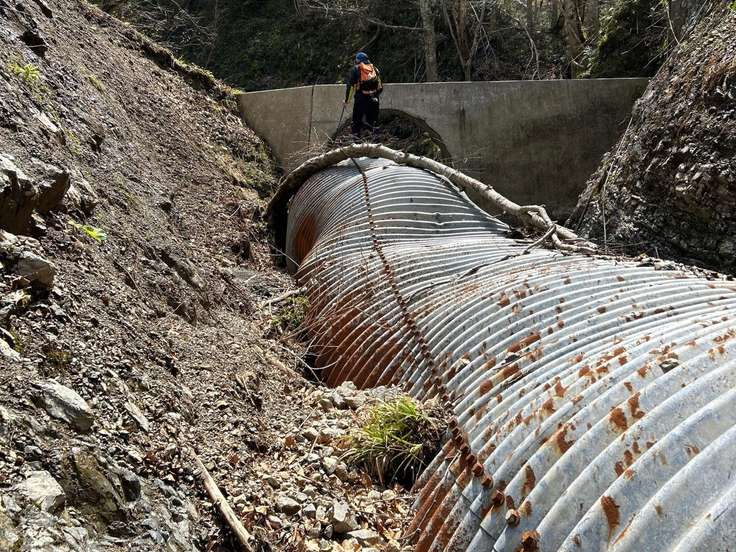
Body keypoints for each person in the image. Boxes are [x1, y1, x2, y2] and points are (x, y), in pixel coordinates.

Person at [344, 52, 383, 138]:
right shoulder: (375, 69)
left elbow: (350, 87)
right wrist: (374, 95)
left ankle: (356, 141)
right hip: (374, 98)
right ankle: (376, 140)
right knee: (374, 121)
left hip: (360, 99)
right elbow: (380, 87)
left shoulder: (356, 69)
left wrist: (347, 100)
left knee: (357, 121)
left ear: (358, 60)